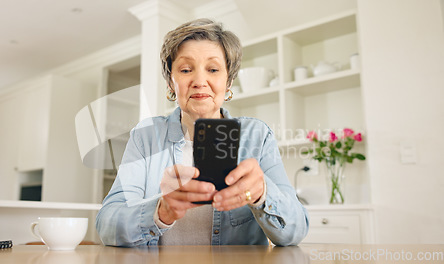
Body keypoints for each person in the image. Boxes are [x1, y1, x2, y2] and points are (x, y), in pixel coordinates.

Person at [96, 18, 308, 247]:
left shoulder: (257, 136)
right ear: (170, 82)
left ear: (228, 82)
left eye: (213, 69)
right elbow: (107, 225)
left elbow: (295, 232)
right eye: (186, 69)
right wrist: (161, 211)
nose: (199, 81)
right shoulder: (145, 137)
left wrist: (262, 193)